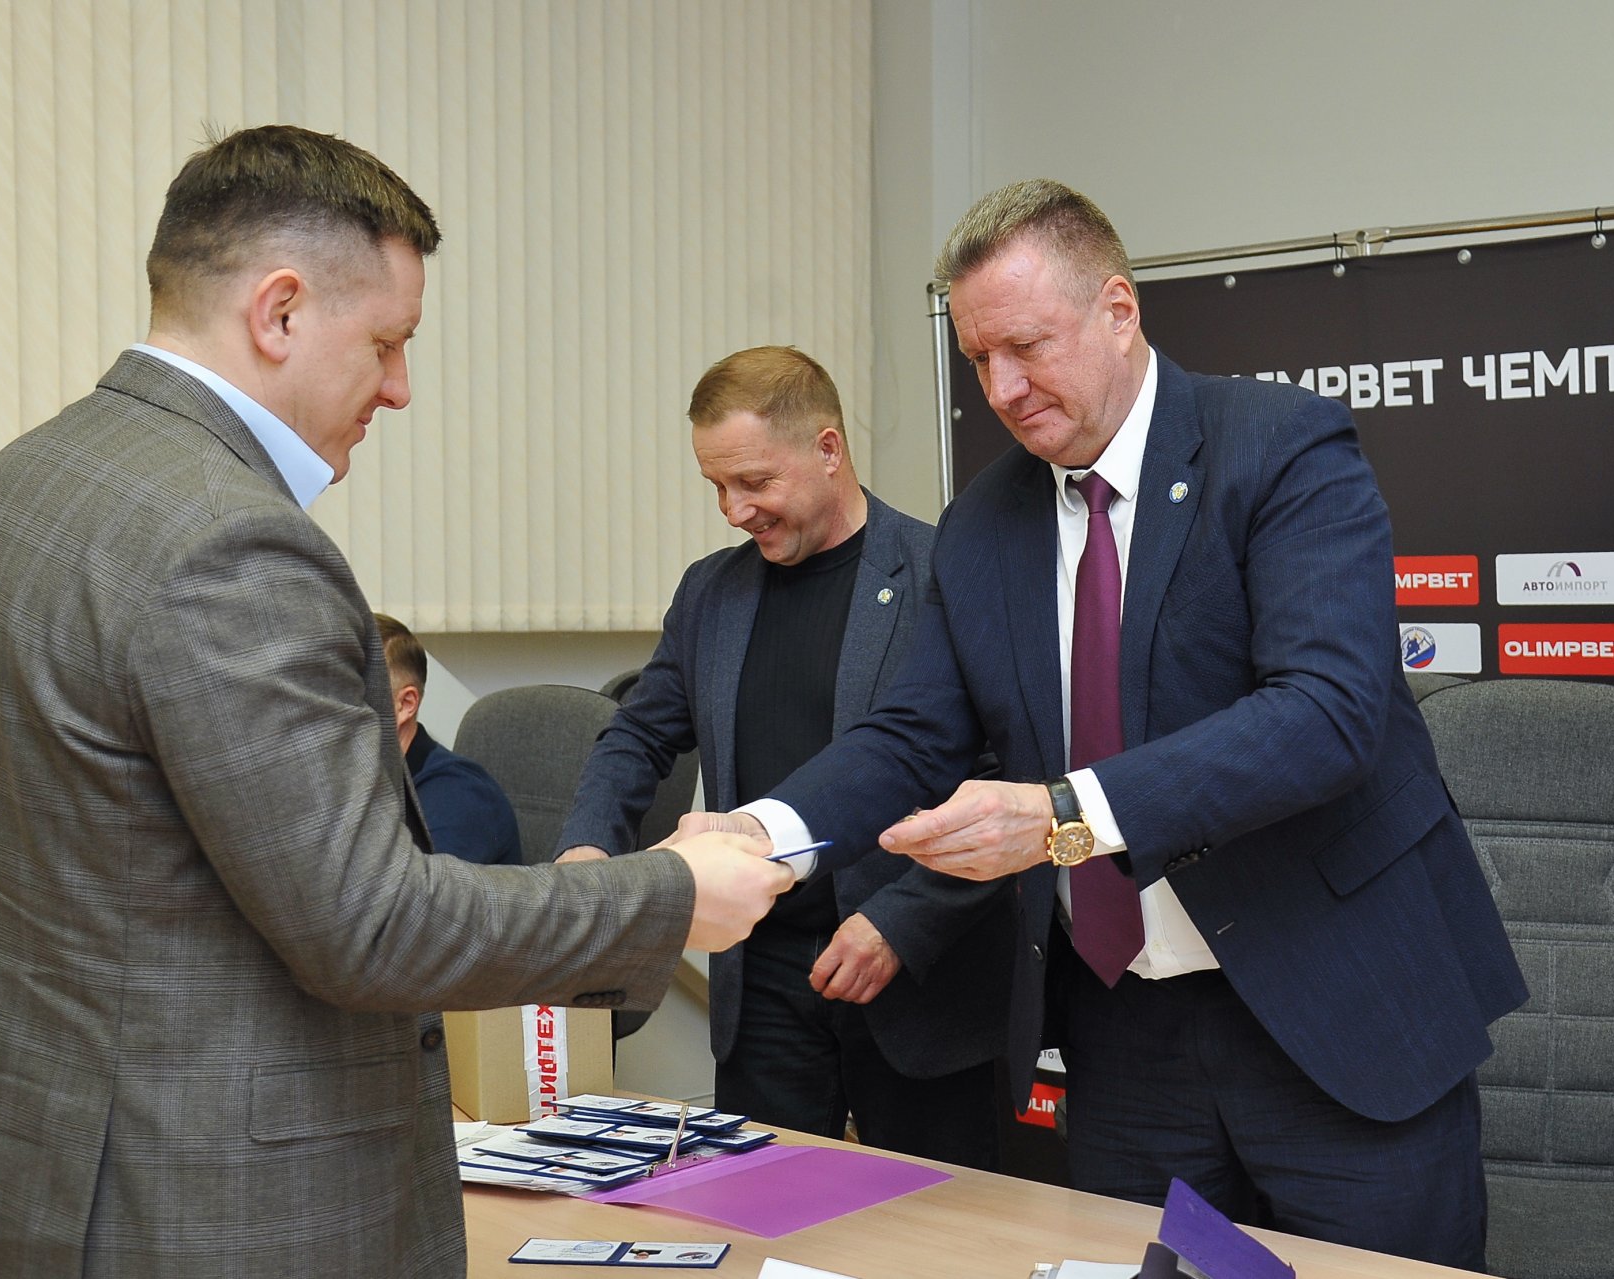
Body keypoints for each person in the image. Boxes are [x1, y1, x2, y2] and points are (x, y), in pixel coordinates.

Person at [0, 124, 791, 1279]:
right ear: (279, 312)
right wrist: (669, 895)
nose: (400, 388)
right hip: (207, 1209)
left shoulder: (14, 487)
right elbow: (371, 927)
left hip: (25, 1174)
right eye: (386, 342)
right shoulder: (230, 543)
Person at [682, 181, 1527, 1268]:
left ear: (1118, 311)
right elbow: (913, 736)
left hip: (1335, 1003)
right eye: (978, 359)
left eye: (1027, 347)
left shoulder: (1276, 445)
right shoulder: (985, 523)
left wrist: (1061, 813)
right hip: (1127, 1036)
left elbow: (1327, 713)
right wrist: (763, 832)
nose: (1002, 388)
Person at [556, 346, 1010, 1167]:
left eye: (754, 481)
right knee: (763, 1212)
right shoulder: (711, 593)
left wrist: (899, 922)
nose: (734, 509)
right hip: (762, 979)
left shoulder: (944, 571)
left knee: (939, 1221)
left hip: (915, 972)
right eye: (716, 485)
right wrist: (588, 847)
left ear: (828, 449)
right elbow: (638, 734)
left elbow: (1002, 778)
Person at [374, 611, 523, 865]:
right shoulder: (358, 780)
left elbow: (409, 891)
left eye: (349, 695)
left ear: (405, 704)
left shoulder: (459, 799)